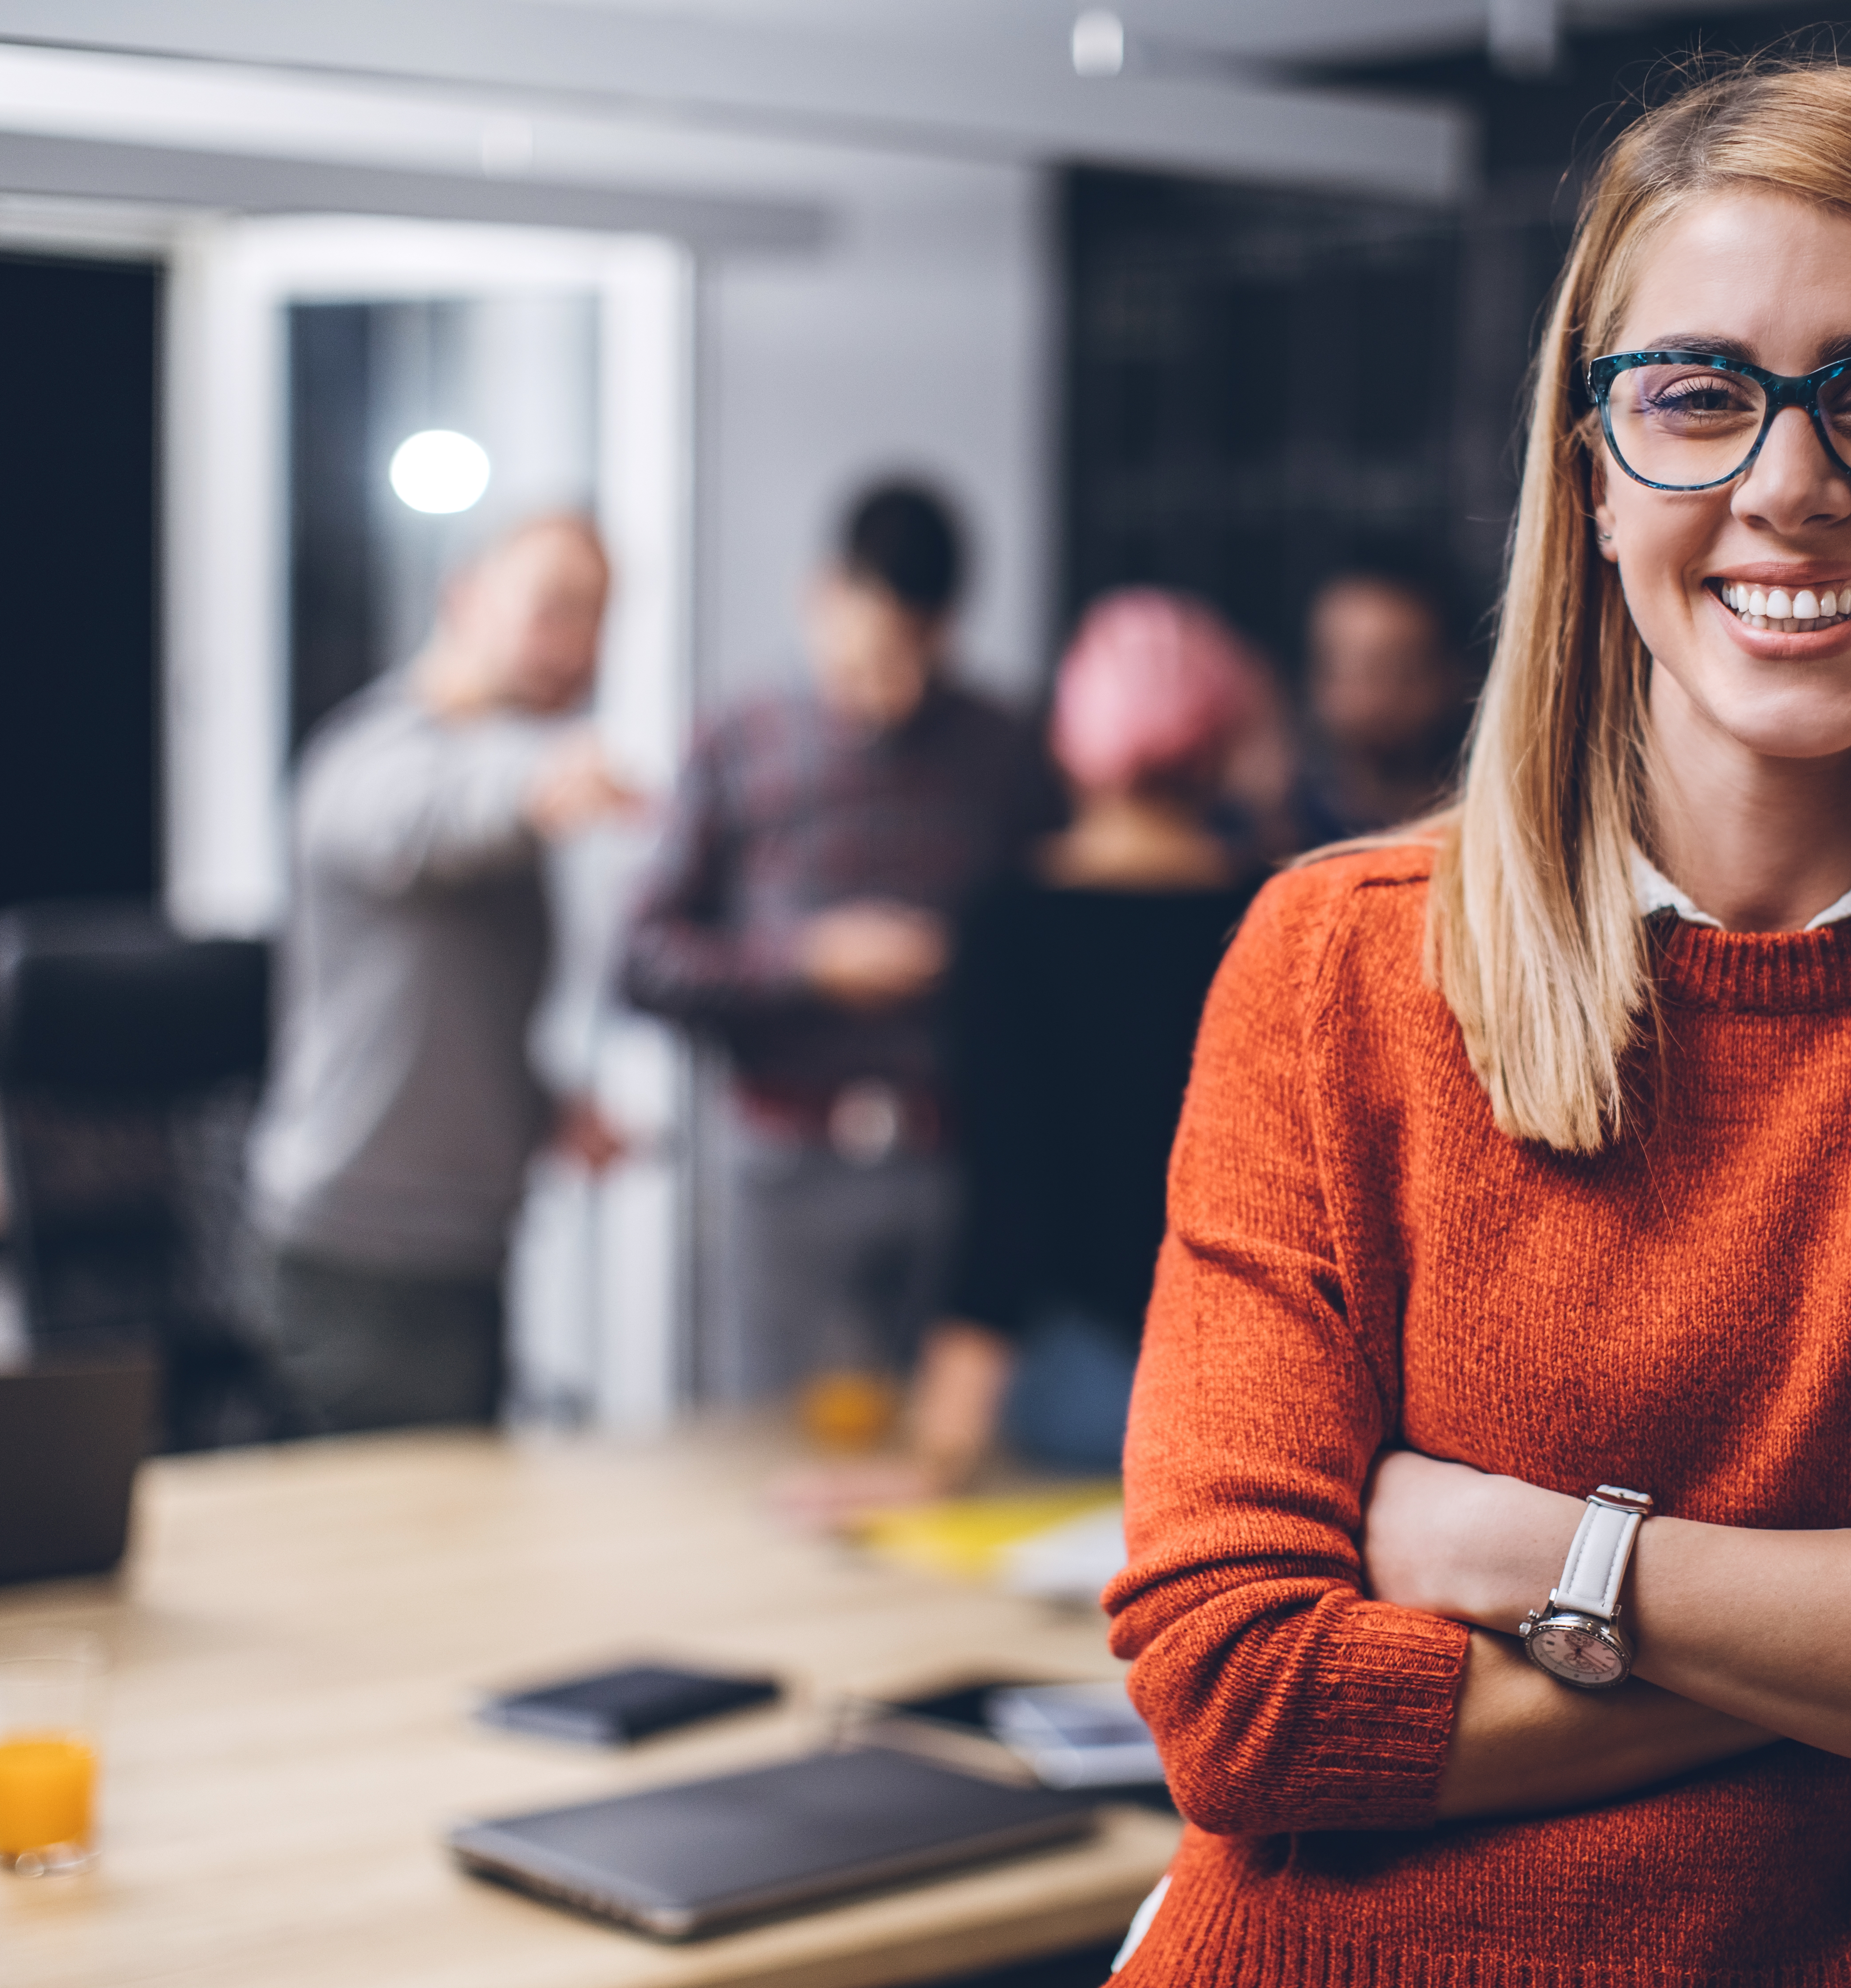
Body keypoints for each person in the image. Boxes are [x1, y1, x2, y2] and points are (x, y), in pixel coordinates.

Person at [1103, 59, 1851, 1984]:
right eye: (1691, 395)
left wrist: (1539, 1562)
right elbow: (1246, 1701)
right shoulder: (1334, 962)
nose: (1784, 484)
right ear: (1588, 472)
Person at [785, 589, 1270, 1520]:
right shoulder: (1284, 910)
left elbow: (1007, 1202)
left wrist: (938, 1454)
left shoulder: (1008, 923)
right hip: (1257, 1386)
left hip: (1088, 1388)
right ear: (1222, 736)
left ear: (1071, 738)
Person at [619, 483, 1058, 1410]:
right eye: (868, 658)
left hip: (953, 1158)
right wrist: (804, 961)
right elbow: (643, 958)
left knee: (950, 1441)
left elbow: (1049, 947)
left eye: (916, 659)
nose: (888, 693)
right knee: (771, 1436)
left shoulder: (1004, 746)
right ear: (818, 595)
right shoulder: (737, 739)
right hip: (786, 1159)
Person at [250, 514, 637, 1433]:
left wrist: (540, 1107)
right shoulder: (371, 756)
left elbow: (449, 1011)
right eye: (556, 607)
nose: (578, 645)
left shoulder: (497, 777)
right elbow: (425, 824)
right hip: (363, 1250)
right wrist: (535, 786)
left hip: (464, 1243)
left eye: (597, 619)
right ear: (464, 597)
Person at [1294, 561, 1470, 842]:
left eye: (1405, 672)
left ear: (1451, 678)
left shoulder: (1479, 832)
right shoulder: (1275, 837)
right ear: (1315, 679)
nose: (1380, 696)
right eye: (1353, 670)